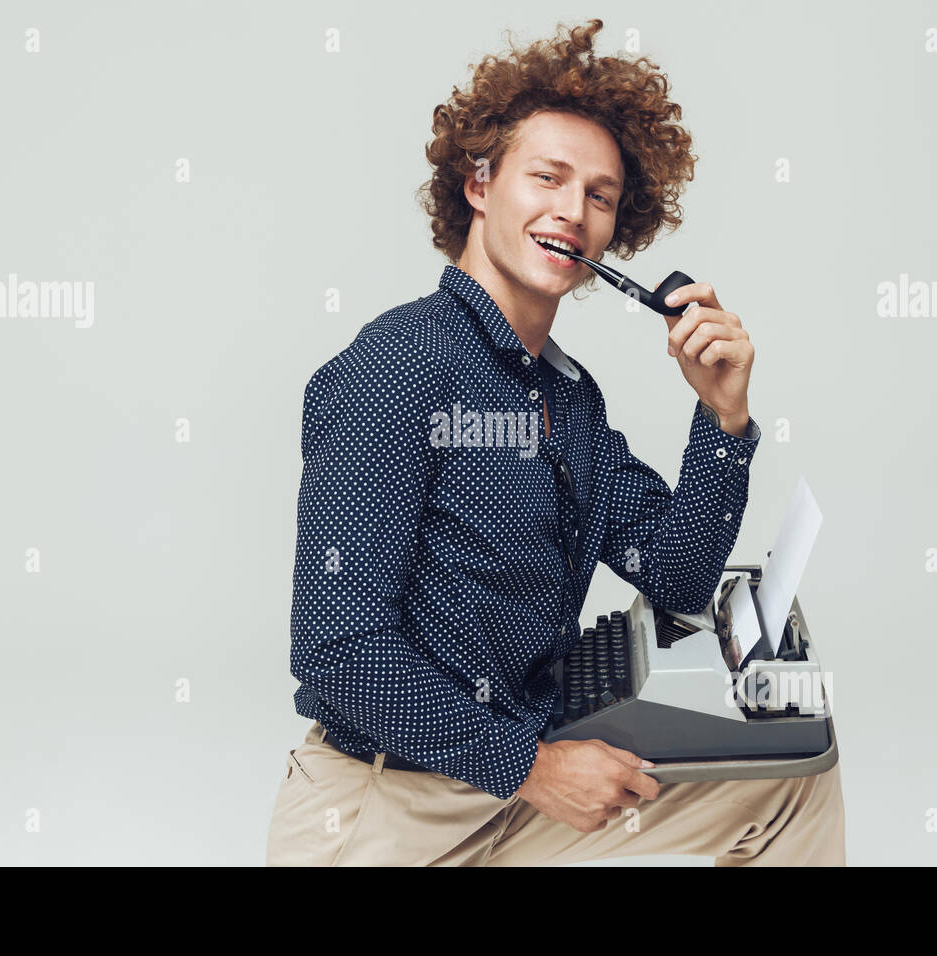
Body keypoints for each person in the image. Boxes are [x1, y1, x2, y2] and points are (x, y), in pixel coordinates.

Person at [266, 18, 844, 866]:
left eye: (600, 196)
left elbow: (675, 573)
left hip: (514, 796)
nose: (572, 211)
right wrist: (532, 767)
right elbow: (338, 648)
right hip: (389, 811)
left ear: (616, 235)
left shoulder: (566, 400)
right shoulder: (396, 366)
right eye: (548, 177)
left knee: (789, 777)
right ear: (479, 184)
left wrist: (722, 423)